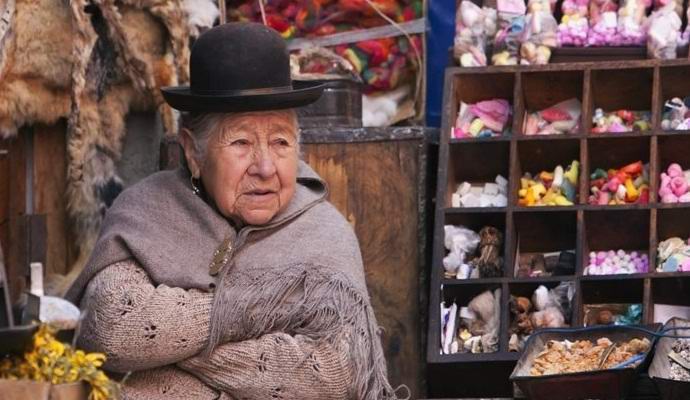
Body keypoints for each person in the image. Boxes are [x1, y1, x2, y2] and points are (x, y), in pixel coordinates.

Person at [67, 22, 398, 400]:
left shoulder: (325, 232)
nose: (265, 167)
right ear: (193, 152)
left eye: (280, 142)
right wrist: (264, 307)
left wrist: (168, 360)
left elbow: (336, 371)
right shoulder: (147, 211)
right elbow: (112, 324)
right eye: (241, 141)